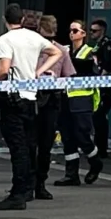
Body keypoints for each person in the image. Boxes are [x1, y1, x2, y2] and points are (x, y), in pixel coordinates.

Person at [0, 5, 62, 210]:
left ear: (5, 20)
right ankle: (26, 188)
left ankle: (18, 194)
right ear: (22, 20)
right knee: (29, 146)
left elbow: (4, 69)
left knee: (18, 148)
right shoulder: (33, 37)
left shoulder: (5, 39)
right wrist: (38, 72)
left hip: (13, 99)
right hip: (30, 99)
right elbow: (57, 52)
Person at [54, 20, 104, 187]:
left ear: (83, 34)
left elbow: (95, 76)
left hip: (82, 101)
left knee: (82, 136)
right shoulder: (65, 52)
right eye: (70, 30)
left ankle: (95, 162)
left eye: (75, 30)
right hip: (66, 99)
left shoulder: (89, 53)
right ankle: (71, 174)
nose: (71, 33)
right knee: (67, 137)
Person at [32, 15, 75, 200]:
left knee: (45, 144)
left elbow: (69, 75)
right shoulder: (32, 48)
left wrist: (55, 78)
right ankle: (26, 182)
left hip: (50, 99)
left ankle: (40, 183)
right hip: (31, 97)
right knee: (28, 143)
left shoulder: (61, 51)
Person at [90, 19, 111, 158]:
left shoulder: (108, 44)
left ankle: (102, 149)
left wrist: (101, 82)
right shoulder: (97, 45)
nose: (92, 33)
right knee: (96, 117)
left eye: (94, 31)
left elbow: (108, 66)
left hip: (104, 85)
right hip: (97, 84)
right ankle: (98, 146)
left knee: (101, 116)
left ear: (102, 30)